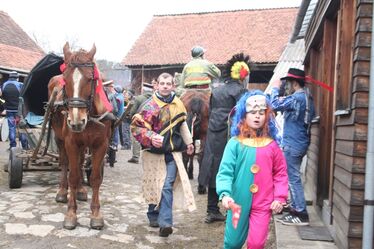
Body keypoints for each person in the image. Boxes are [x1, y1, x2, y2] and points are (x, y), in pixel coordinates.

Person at [216, 90, 288, 249]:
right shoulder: (234, 143)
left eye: (261, 112)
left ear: (267, 116)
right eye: (253, 112)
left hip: (263, 204)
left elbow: (280, 174)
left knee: (256, 244)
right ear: (243, 115)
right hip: (237, 204)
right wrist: (225, 194)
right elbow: (225, 171)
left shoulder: (272, 146)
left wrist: (279, 198)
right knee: (232, 243)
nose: (257, 116)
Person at [130, 72, 196, 237]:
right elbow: (136, 128)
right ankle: (153, 214)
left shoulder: (178, 104)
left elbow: (182, 126)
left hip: (173, 154)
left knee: (166, 186)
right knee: (156, 186)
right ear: (156, 85)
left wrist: (189, 143)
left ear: (173, 85)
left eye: (168, 83)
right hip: (153, 155)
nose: (165, 86)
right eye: (162, 83)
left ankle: (165, 223)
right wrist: (151, 137)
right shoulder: (149, 106)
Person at [198, 53, 249, 223]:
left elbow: (211, 111)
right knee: (232, 168)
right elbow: (243, 116)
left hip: (213, 134)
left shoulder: (216, 90)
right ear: (242, 75)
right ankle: (231, 208)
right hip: (231, 135)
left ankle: (212, 209)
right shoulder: (241, 91)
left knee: (214, 167)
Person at [269, 68, 315, 226]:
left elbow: (274, 103)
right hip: (300, 142)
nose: (286, 86)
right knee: (293, 176)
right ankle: (296, 208)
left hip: (293, 143)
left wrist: (275, 87)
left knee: (293, 178)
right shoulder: (307, 97)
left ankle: (301, 213)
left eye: (288, 83)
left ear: (294, 83)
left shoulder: (297, 98)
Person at [127, 82, 155, 164]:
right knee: (150, 136)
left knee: (136, 138)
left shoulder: (138, 98)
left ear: (143, 89)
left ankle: (136, 157)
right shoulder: (155, 98)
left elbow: (132, 111)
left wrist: (130, 118)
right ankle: (150, 156)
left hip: (140, 123)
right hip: (152, 123)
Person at [0, 71, 28, 150]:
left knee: (11, 128)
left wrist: (3, 106)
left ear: (9, 77)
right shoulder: (20, 85)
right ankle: (24, 146)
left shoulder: (3, 85)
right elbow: (24, 97)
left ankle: (13, 146)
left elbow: (0, 96)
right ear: (17, 78)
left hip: (9, 110)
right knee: (21, 127)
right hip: (19, 111)